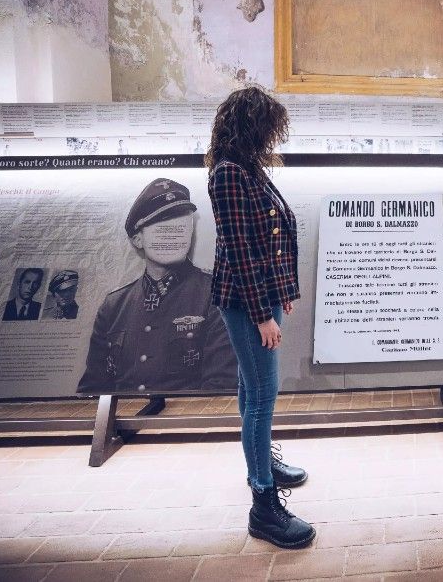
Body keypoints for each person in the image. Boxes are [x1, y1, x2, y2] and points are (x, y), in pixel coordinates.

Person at [206, 87, 313, 549]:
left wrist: (282, 294)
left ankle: (261, 461)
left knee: (252, 388)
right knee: (262, 393)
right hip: (246, 300)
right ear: (250, 125)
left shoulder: (247, 168)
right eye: (268, 126)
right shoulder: (229, 174)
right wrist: (261, 316)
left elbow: (271, 236)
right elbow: (241, 252)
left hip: (262, 296)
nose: (273, 135)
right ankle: (263, 506)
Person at [77, 178, 237, 394]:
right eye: (162, 228)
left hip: (187, 415)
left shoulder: (217, 293)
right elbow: (93, 389)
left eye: (181, 227)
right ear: (138, 239)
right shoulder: (114, 306)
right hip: (122, 415)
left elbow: (221, 386)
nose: (173, 236)